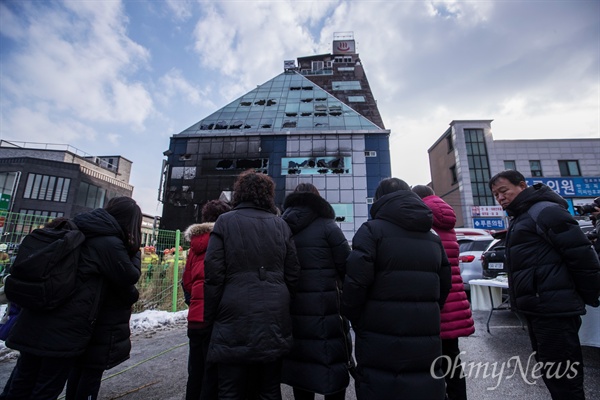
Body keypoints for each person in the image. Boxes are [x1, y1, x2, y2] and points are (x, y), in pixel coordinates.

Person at [2, 197, 142, 400]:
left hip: (35, 318)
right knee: (46, 388)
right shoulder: (108, 243)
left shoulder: (77, 227)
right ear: (130, 222)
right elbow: (129, 278)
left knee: (20, 382)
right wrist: (133, 248)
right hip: (63, 330)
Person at [488, 170, 600, 400]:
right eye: (496, 195)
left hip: (554, 308)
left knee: (564, 376)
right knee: (552, 371)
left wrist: (587, 294)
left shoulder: (544, 211)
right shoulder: (522, 216)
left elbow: (581, 254)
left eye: (504, 191)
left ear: (522, 185)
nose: (500, 198)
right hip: (540, 307)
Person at [341, 178, 451, 400]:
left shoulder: (371, 230)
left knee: (380, 384)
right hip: (424, 328)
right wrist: (428, 310)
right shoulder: (432, 236)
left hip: (378, 329)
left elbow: (355, 283)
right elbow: (444, 284)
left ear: (380, 199)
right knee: (424, 382)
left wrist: (357, 318)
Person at [203, 170, 300, 399]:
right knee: (269, 386)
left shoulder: (225, 222)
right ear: (268, 195)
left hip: (232, 310)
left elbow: (213, 273)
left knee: (229, 387)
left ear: (239, 193)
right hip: (275, 310)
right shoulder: (281, 225)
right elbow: (294, 273)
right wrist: (283, 298)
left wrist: (211, 316)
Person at [280, 183, 352, 400]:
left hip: (293, 310)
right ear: (317, 200)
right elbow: (348, 267)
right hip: (328, 309)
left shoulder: (282, 228)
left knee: (301, 367)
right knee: (333, 366)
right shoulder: (329, 227)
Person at [412, 184, 475, 400]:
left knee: (431, 363)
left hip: (435, 298)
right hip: (454, 297)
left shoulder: (423, 219)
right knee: (452, 359)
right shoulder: (446, 220)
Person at [182, 199, 232, 400]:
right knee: (217, 376)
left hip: (196, 320)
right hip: (218, 318)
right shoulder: (225, 240)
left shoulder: (194, 246)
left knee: (195, 372)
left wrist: (194, 303)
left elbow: (186, 283)